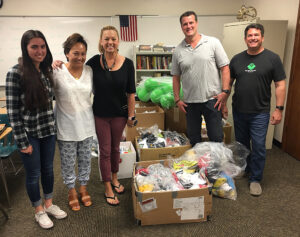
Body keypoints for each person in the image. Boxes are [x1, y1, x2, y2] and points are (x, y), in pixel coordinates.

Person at [5, 30, 67, 229]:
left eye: (42, 46)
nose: (39, 51)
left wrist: (56, 63)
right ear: (26, 48)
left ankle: (48, 204)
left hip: (48, 132)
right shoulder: (15, 73)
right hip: (29, 135)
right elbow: (13, 112)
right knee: (33, 174)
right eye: (34, 47)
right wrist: (22, 143)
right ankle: (38, 210)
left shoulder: (46, 71)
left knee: (48, 170)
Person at [229, 23, 286, 196]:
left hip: (260, 112)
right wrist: (222, 104)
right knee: (242, 145)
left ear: (262, 37)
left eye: (256, 35)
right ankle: (245, 169)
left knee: (259, 146)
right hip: (239, 110)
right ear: (245, 38)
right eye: (250, 35)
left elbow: (280, 85)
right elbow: (228, 84)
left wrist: (279, 109)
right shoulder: (237, 59)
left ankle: (255, 179)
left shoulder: (272, 58)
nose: (253, 38)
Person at [86, 26, 136, 206]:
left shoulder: (128, 64)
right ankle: (107, 186)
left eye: (113, 39)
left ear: (118, 41)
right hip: (100, 114)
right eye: (106, 39)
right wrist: (58, 64)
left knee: (115, 149)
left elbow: (131, 93)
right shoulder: (92, 63)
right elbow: (75, 71)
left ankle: (115, 178)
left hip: (119, 115)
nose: (110, 42)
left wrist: (131, 116)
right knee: (105, 150)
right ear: (101, 41)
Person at [172, 11, 231, 146]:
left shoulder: (213, 42)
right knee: (194, 139)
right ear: (181, 27)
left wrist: (225, 92)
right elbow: (176, 77)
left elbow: (225, 68)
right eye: (185, 24)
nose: (188, 26)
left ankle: (216, 166)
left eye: (191, 22)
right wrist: (177, 99)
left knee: (216, 138)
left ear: (196, 23)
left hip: (212, 101)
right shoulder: (178, 51)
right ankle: (199, 166)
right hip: (190, 104)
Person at [53, 33, 95, 211]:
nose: (80, 57)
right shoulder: (56, 71)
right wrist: (51, 63)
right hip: (66, 126)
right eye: (76, 53)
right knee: (68, 162)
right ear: (67, 53)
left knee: (86, 160)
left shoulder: (89, 71)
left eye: (83, 53)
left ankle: (83, 187)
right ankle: (71, 190)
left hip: (86, 124)